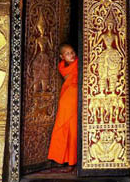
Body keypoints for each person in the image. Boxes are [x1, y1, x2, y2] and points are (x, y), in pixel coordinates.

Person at [48, 43, 78, 171]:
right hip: (66, 98)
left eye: (72, 52)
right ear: (62, 57)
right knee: (62, 127)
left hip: (76, 97)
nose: (71, 55)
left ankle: (72, 161)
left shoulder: (80, 63)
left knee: (73, 129)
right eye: (67, 53)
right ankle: (60, 158)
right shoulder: (62, 67)